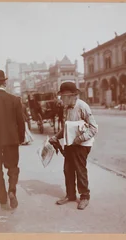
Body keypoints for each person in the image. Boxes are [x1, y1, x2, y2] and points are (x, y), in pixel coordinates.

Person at [49, 81, 98, 210]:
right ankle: (70, 195)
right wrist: (56, 136)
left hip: (81, 145)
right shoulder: (67, 107)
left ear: (72, 96)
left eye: (63, 96)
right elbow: (66, 126)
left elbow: (93, 128)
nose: (61, 99)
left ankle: (84, 197)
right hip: (70, 143)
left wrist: (80, 139)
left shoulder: (83, 107)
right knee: (68, 170)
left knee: (80, 170)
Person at [0, 70, 25, 209]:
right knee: (13, 167)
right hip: (11, 140)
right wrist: (20, 139)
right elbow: (21, 122)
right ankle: (12, 191)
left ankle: (2, 197)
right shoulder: (15, 100)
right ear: (4, 83)